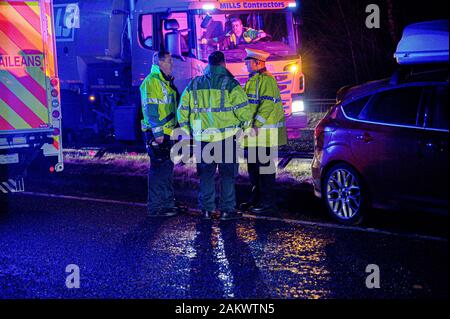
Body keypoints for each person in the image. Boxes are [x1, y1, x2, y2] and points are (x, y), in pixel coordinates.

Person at [177, 51, 254, 220]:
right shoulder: (231, 84)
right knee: (227, 175)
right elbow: (244, 112)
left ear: (208, 65)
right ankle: (227, 210)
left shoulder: (194, 84)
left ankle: (206, 210)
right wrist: (246, 129)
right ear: (223, 64)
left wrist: (188, 132)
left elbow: (182, 111)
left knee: (206, 175)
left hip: (203, 140)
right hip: (226, 139)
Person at [241, 48, 287, 215]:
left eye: (248, 62)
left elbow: (266, 105)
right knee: (254, 169)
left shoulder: (266, 80)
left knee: (265, 170)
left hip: (263, 134)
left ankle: (268, 203)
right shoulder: (253, 80)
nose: (245, 65)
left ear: (258, 63)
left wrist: (256, 125)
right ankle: (257, 199)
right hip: (255, 135)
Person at [140, 50, 180, 217]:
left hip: (167, 131)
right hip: (159, 133)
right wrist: (158, 133)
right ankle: (156, 207)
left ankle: (167, 203)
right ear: (160, 63)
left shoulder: (165, 82)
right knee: (159, 171)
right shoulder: (152, 82)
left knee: (166, 170)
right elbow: (151, 109)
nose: (172, 64)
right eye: (169, 61)